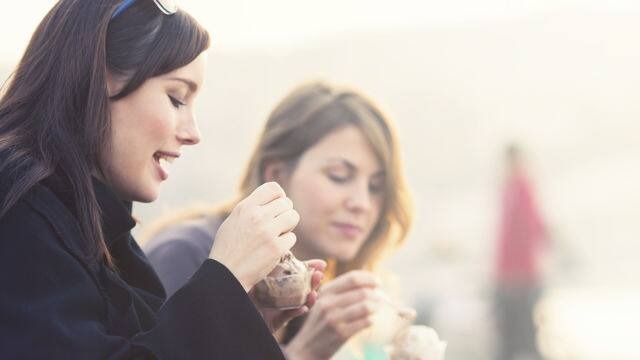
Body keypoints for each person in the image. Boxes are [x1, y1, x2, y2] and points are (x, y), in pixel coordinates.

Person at [0, 1, 323, 358]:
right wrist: (224, 277)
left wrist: (240, 315)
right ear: (100, 77)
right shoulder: (19, 208)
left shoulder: (93, 225)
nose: (193, 133)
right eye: (176, 98)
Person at [143, 81, 414, 359]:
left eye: (376, 186)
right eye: (339, 176)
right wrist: (304, 352)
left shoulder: (315, 293)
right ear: (276, 174)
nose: (362, 203)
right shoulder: (187, 256)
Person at [494, 144, 549, 360]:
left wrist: (524, 272)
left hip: (521, 275)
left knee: (524, 335)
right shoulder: (508, 189)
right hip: (507, 273)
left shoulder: (524, 189)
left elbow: (531, 230)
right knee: (507, 336)